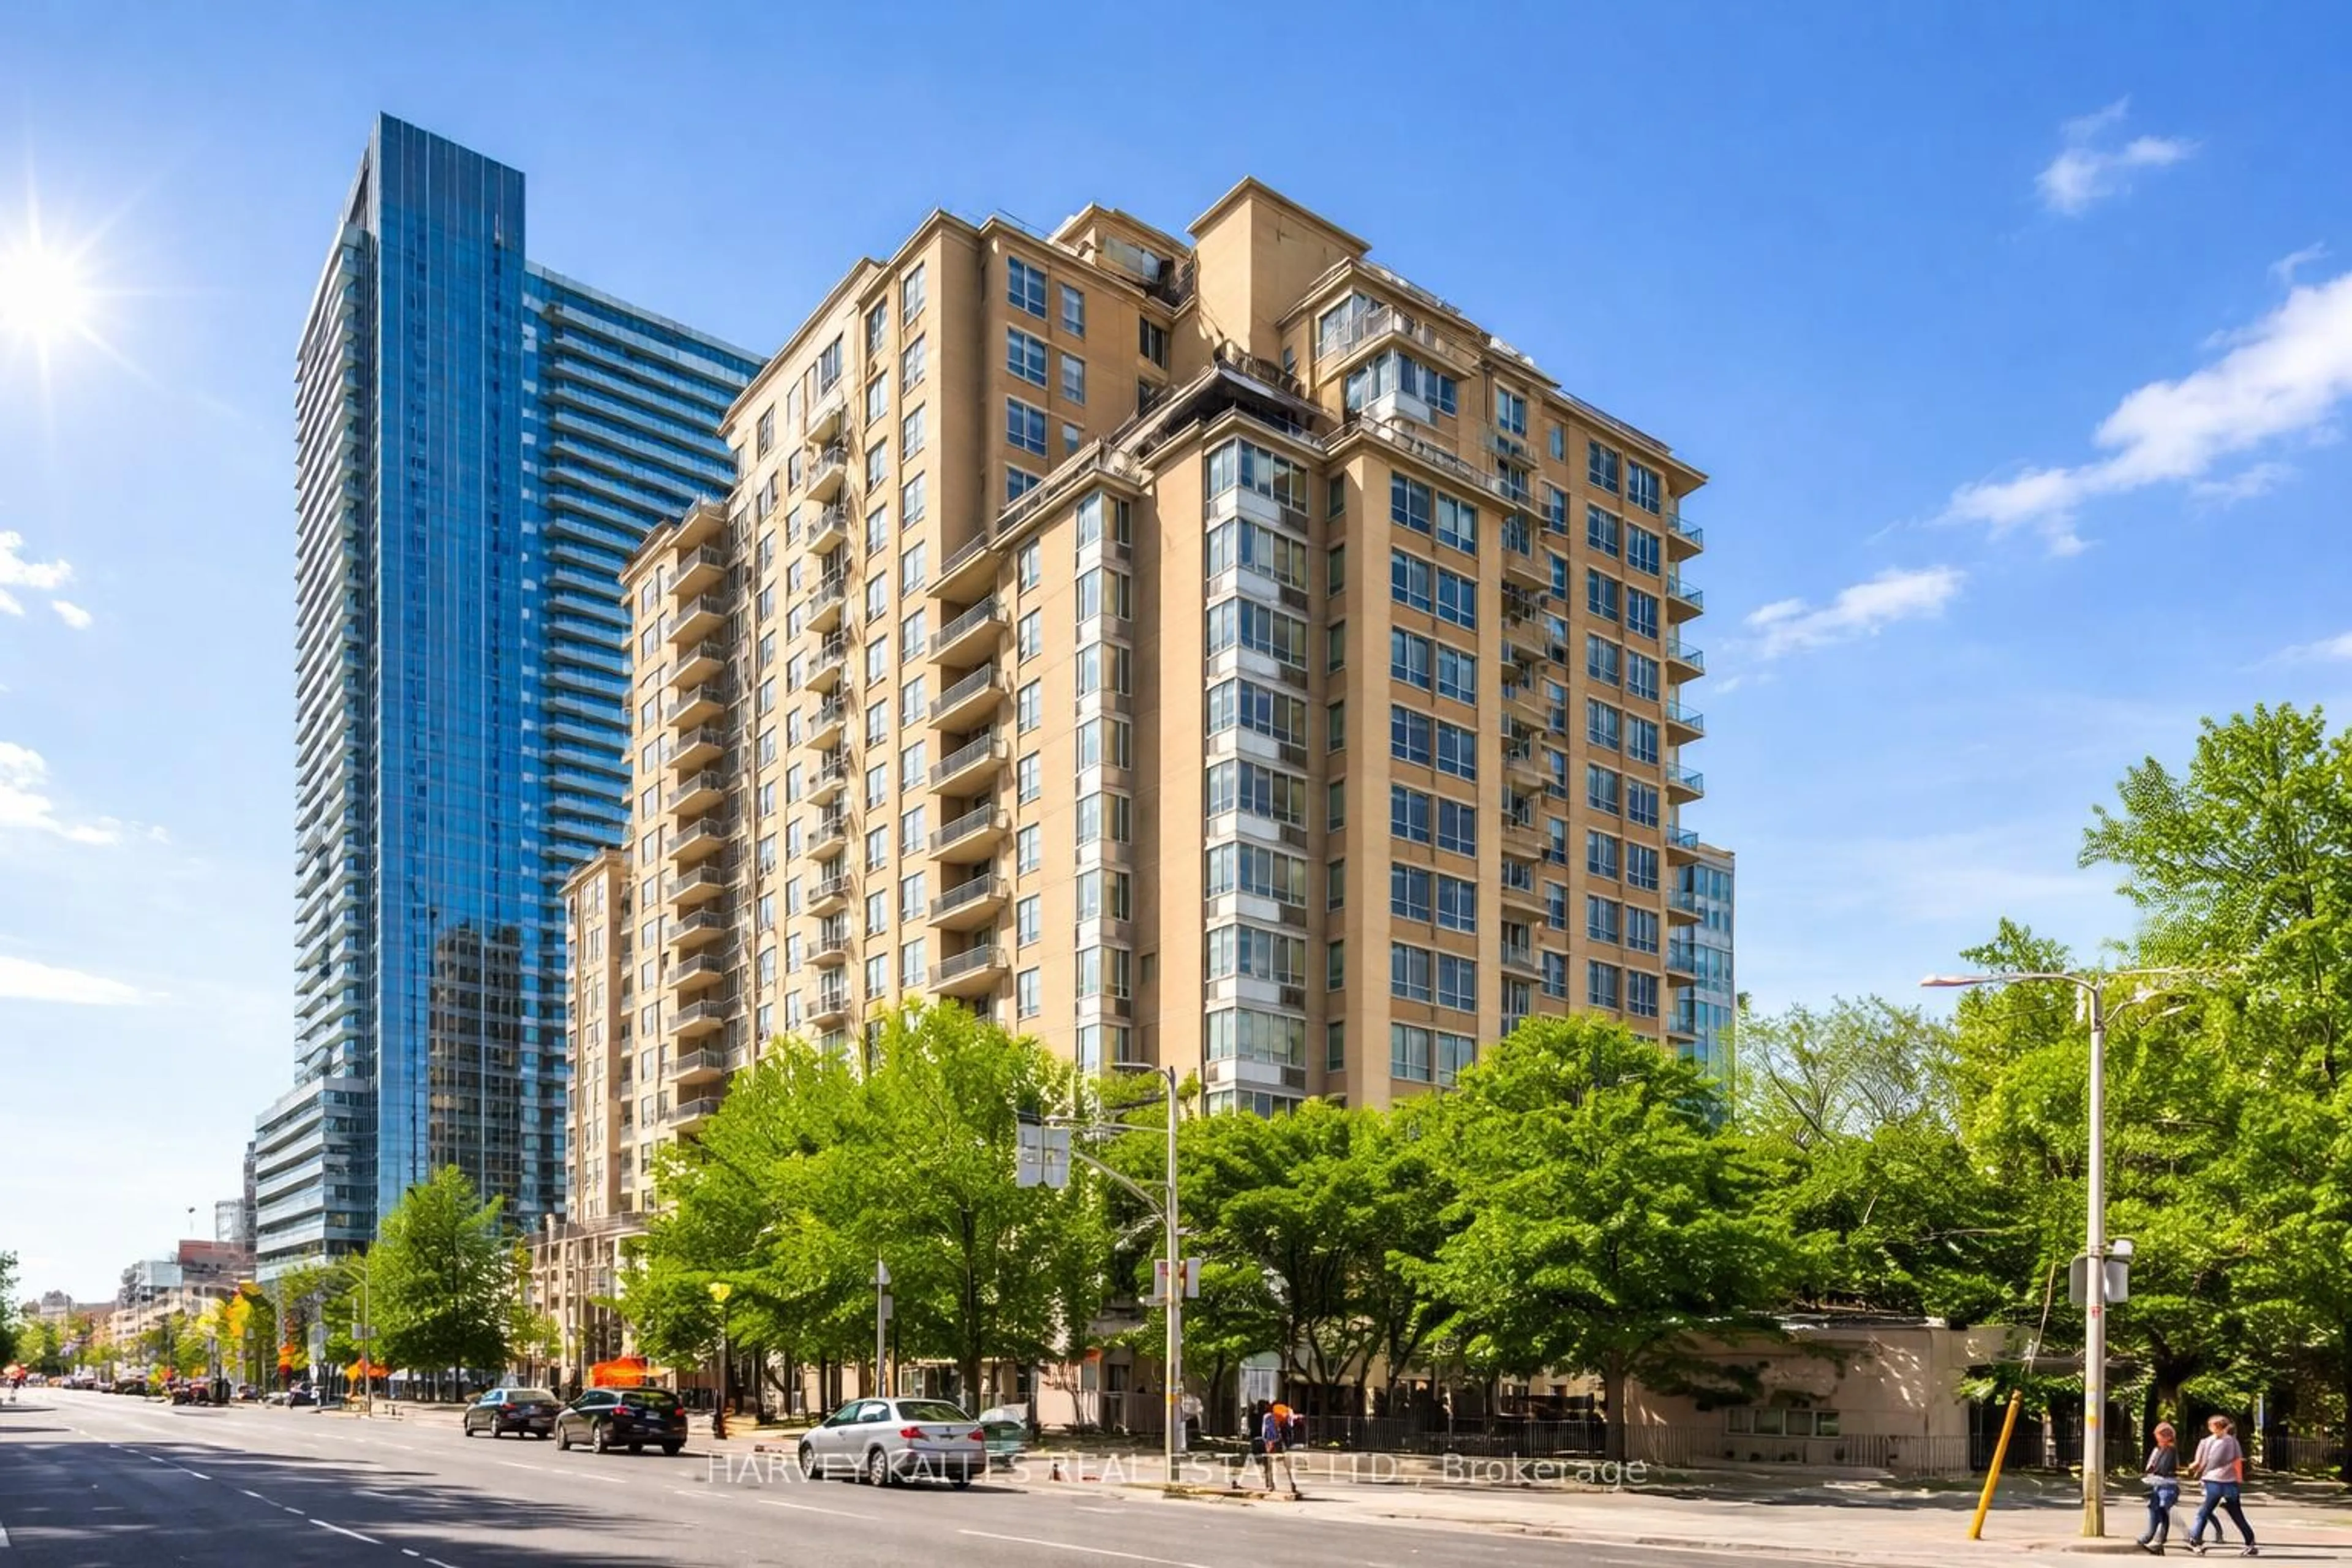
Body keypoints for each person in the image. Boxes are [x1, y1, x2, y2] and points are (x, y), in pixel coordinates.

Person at [2187, 1412, 2256, 1556]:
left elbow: (2198, 1463)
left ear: (2214, 1427)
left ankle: (2195, 1541)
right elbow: (2237, 1462)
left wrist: (2192, 1469)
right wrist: (2238, 1478)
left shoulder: (2208, 1442)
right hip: (2229, 1482)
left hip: (2213, 1481)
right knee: (2237, 1514)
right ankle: (2250, 1543)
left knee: (2204, 1512)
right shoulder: (2231, 1442)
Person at [2138, 1422, 2180, 1554]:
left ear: (2167, 1437)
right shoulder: (2161, 1449)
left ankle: (2157, 1539)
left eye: (2159, 1436)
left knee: (2161, 1510)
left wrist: (2153, 1474)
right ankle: (2152, 1537)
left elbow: (2164, 1469)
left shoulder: (2170, 1450)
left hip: (2167, 1485)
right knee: (2155, 1509)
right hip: (2159, 1484)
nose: (2157, 1438)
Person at [1257, 1401, 1302, 1498]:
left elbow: (1265, 1431)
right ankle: (1290, 1485)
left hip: (1271, 1442)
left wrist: (1267, 1441)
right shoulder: (1275, 1415)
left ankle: (1271, 1485)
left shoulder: (1269, 1416)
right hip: (1276, 1441)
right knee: (1282, 1464)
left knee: (1270, 1464)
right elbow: (1285, 1426)